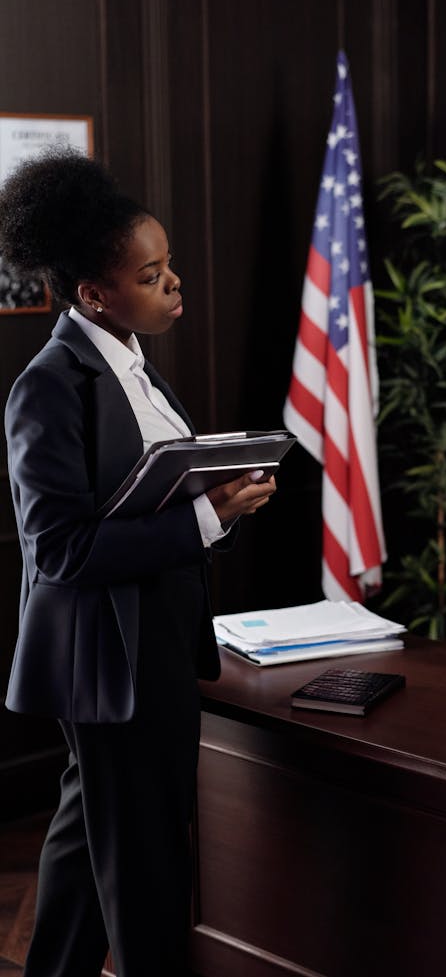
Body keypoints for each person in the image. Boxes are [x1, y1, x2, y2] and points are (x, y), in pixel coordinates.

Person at [1, 151, 277, 976]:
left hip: (153, 642)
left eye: (170, 266)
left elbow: (151, 500)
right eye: (152, 274)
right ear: (95, 291)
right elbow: (58, 549)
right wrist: (206, 514)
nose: (174, 284)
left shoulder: (131, 363)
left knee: (94, 837)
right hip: (107, 659)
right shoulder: (50, 386)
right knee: (148, 861)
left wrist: (218, 506)